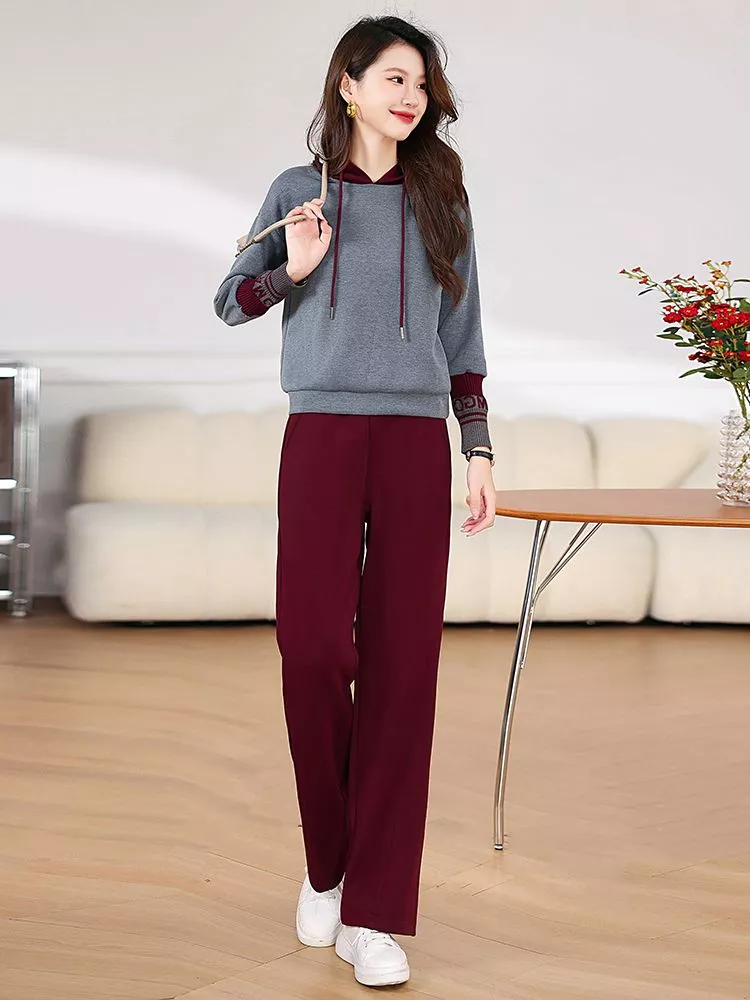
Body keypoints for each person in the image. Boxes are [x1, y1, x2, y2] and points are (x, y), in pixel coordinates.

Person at [213, 14, 496, 988]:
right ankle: (326, 865)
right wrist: (293, 269)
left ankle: (372, 911)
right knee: (314, 649)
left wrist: (478, 446)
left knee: (404, 671)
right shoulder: (297, 192)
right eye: (392, 78)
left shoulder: (443, 194)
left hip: (416, 442)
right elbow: (229, 300)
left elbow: (463, 331)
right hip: (323, 434)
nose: (410, 96)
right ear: (349, 84)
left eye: (420, 82)